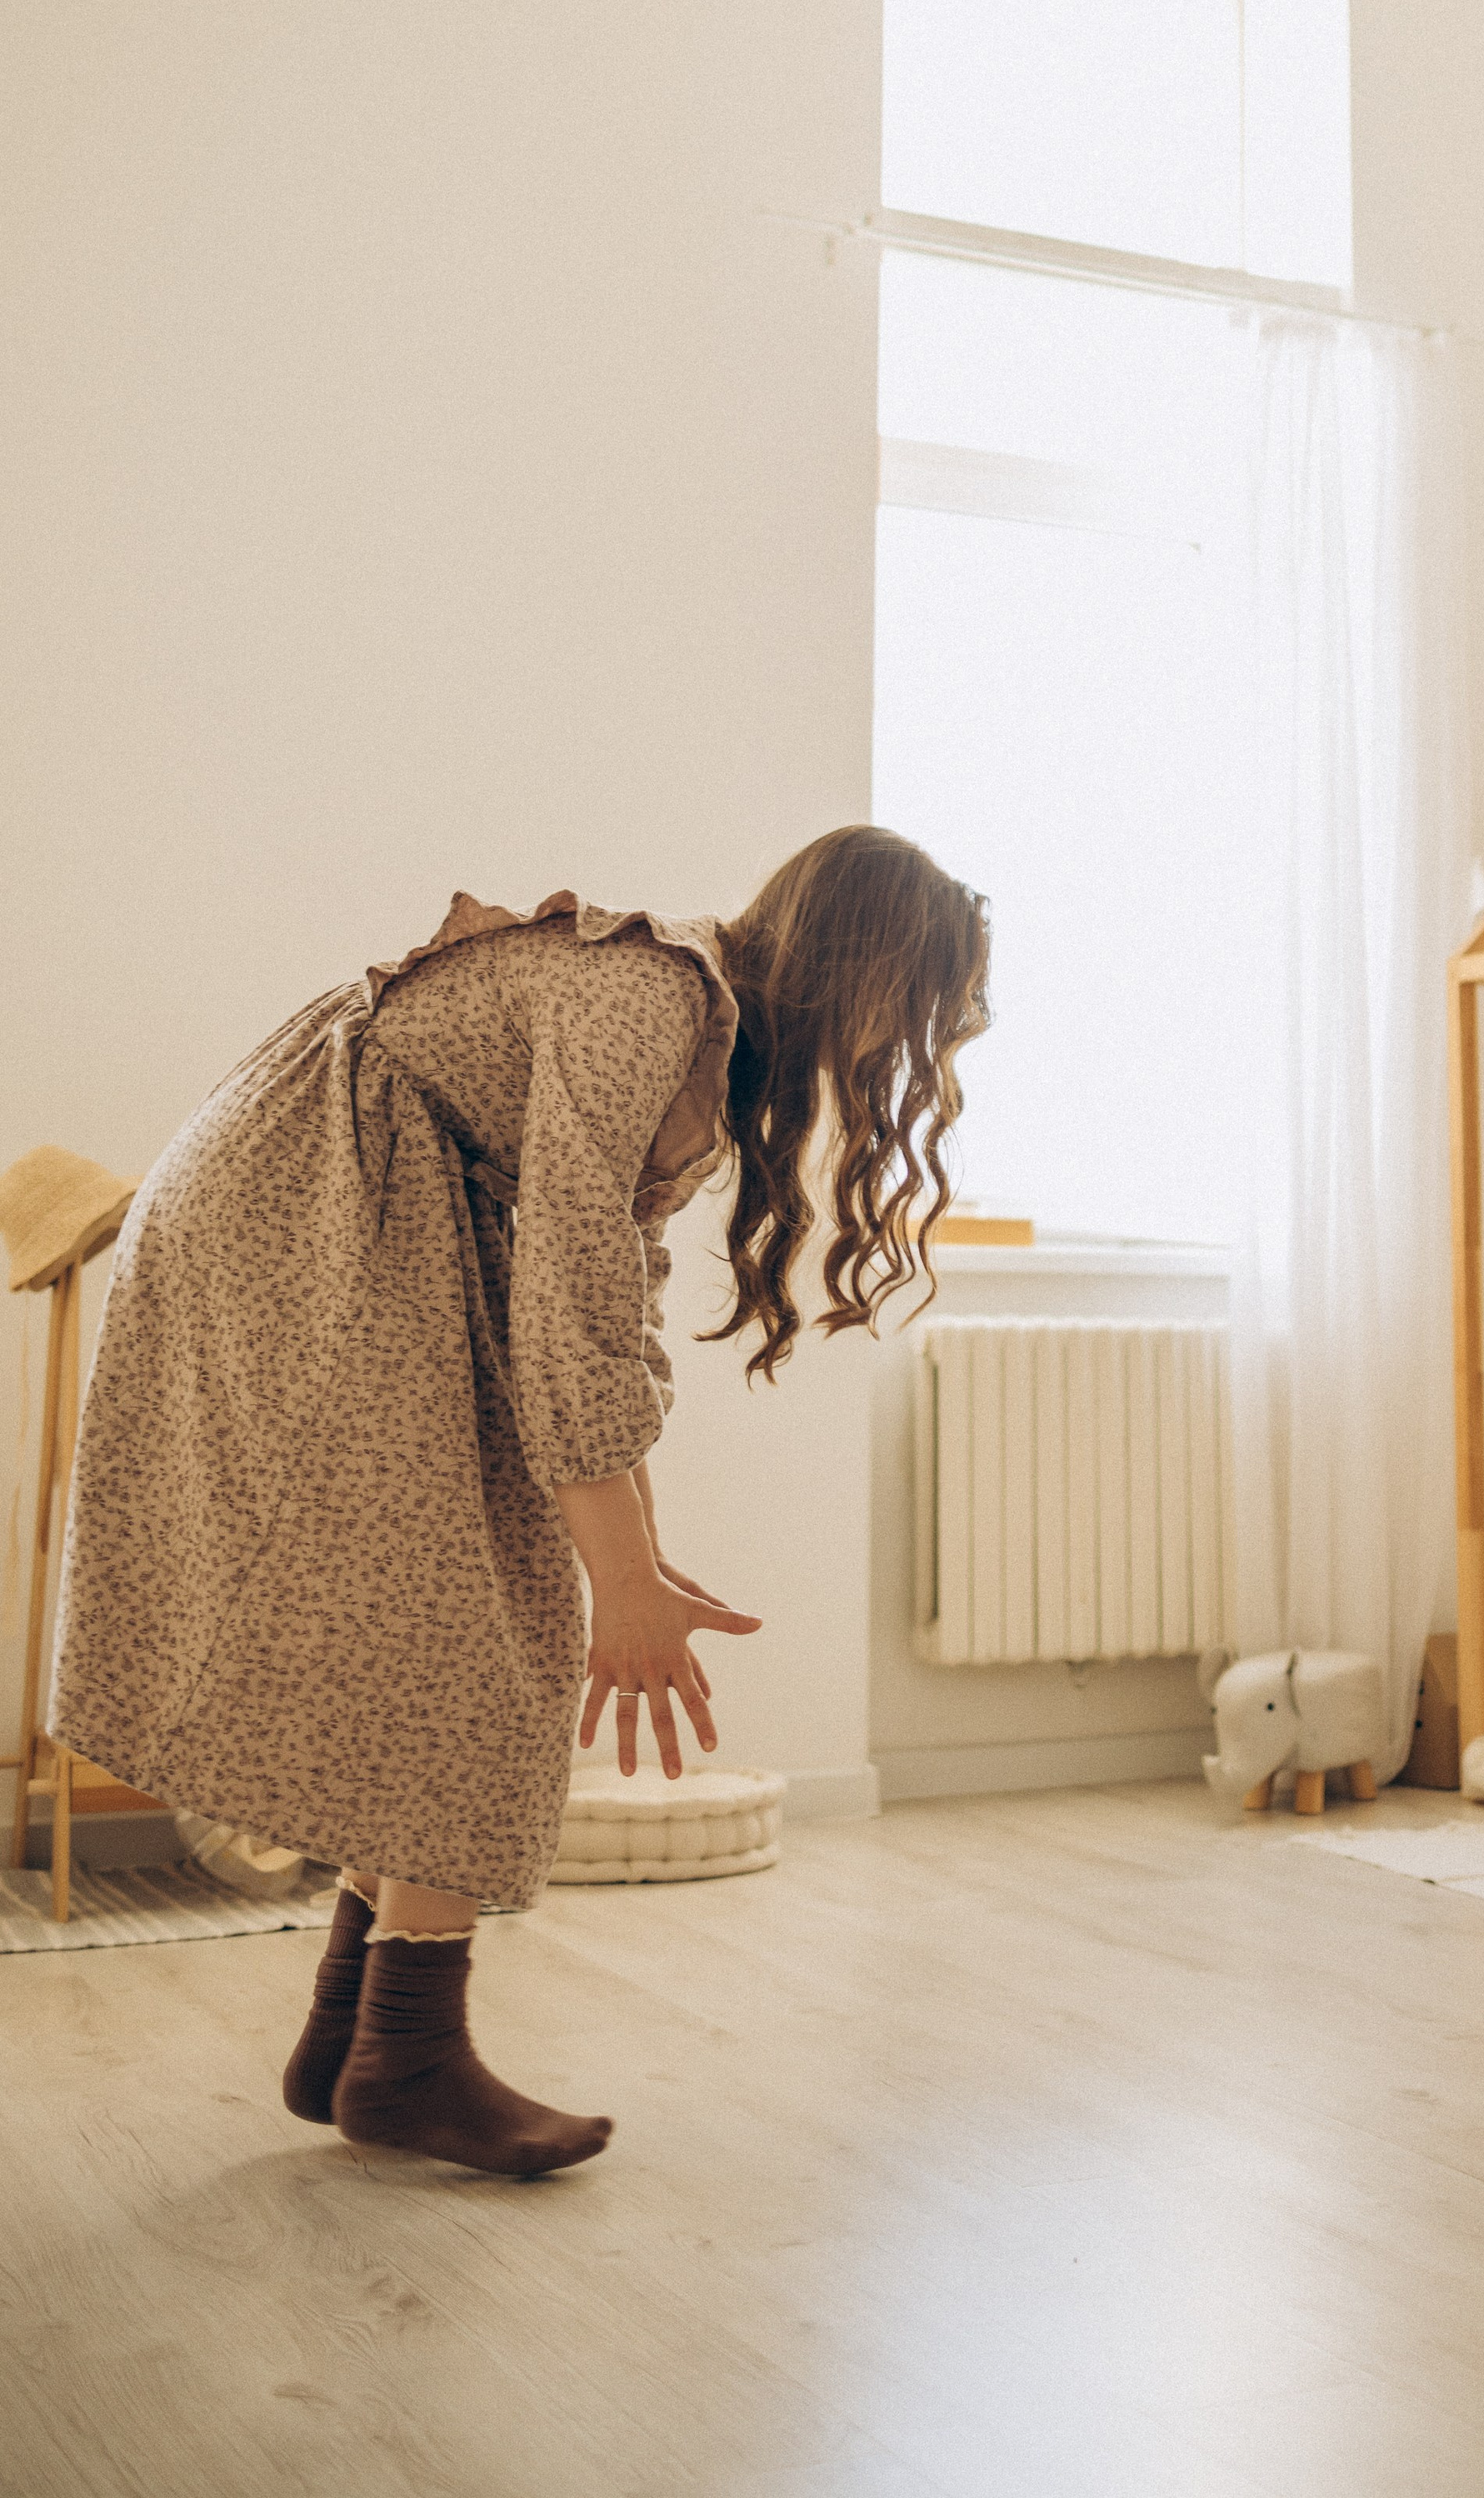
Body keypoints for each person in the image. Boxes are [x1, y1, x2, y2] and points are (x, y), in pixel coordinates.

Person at [52, 829, 989, 2176]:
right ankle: (412, 2059)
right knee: (489, 1636)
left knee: (473, 1623)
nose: (913, 1051)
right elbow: (566, 1309)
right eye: (921, 1008)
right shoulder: (652, 998)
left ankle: (355, 2037)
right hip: (303, 1220)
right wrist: (620, 1584)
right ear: (869, 961)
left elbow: (598, 1324)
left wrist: (643, 1567)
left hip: (332, 1215)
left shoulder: (696, 1048)